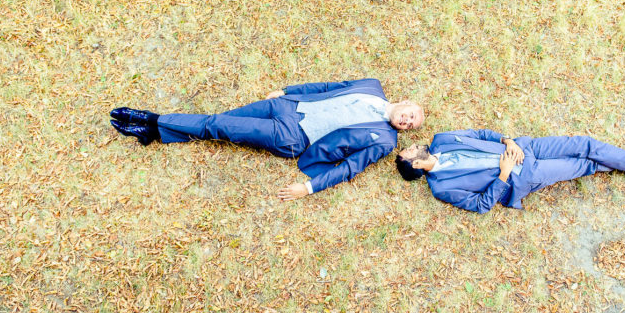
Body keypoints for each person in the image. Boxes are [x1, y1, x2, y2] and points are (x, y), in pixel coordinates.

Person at [111, 79, 423, 200]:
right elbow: (328, 86)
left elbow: (351, 168)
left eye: (410, 126)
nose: (407, 123)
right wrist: (290, 91)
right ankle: (157, 133)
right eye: (410, 115)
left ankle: (152, 121)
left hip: (293, 136)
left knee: (219, 125)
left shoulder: (384, 141)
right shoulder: (371, 86)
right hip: (288, 106)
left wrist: (308, 187)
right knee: (222, 121)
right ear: (405, 101)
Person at [394, 129, 625, 213]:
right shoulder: (441, 187)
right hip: (521, 176)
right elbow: (480, 205)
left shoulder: (442, 140)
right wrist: (505, 173)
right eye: (408, 153)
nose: (412, 146)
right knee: (585, 164)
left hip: (524, 148)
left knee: (583, 143)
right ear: (416, 165)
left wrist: (508, 141)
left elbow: (483, 133)